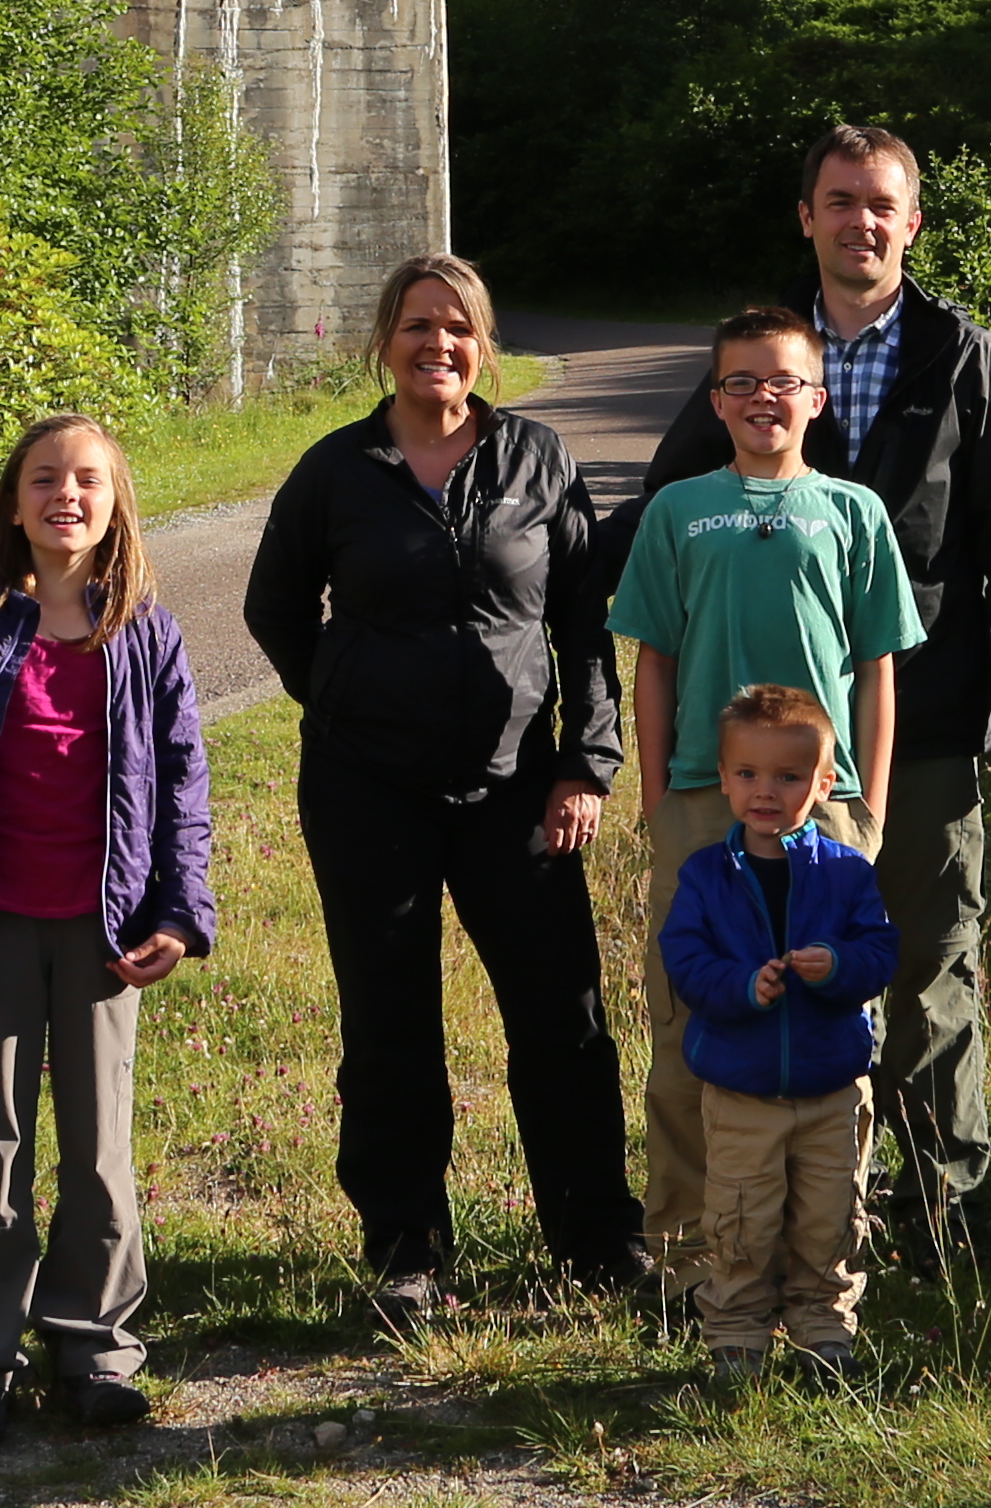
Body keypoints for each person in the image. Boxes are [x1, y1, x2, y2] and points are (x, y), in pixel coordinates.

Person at [639, 122, 991, 1245]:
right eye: (839, 202)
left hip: (915, 726)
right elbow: (669, 510)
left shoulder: (968, 358)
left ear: (911, 222)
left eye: (881, 204)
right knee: (745, 974)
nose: (859, 222)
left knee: (926, 968)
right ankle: (762, 1220)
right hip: (751, 757)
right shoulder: (761, 353)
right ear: (808, 218)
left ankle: (939, 1207)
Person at [242, 251, 647, 1317]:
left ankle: (596, 1237)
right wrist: (342, 700)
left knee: (562, 1017)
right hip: (367, 789)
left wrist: (584, 765)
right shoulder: (337, 472)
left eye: (458, 327)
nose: (439, 345)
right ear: (385, 341)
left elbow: (584, 626)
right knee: (390, 1024)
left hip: (519, 789)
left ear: (485, 346)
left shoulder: (538, 460)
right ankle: (408, 1252)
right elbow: (275, 609)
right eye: (419, 325)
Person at [0, 412, 214, 1452]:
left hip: (105, 929)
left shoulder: (146, 632)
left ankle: (96, 1346)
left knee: (102, 1148)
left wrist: (180, 910)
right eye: (43, 479)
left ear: (116, 505)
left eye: (86, 481)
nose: (64, 495)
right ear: (13, 501)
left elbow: (184, 786)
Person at [607, 303, 921, 1263]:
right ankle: (690, 1254)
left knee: (830, 1014)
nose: (762, 398)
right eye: (740, 381)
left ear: (817, 398)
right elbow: (652, 658)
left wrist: (864, 799)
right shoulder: (677, 510)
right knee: (689, 1017)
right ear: (716, 399)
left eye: (783, 380)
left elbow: (876, 666)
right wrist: (661, 794)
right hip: (703, 799)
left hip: (824, 809)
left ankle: (822, 1249)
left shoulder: (853, 512)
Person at [652, 681, 901, 1391]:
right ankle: (736, 1338)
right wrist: (740, 987)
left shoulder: (848, 873)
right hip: (741, 1088)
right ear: (724, 779)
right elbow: (686, 961)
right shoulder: (706, 875)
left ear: (825, 783)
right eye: (750, 775)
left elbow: (882, 952)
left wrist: (839, 966)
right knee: (739, 1220)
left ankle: (826, 1334)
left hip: (832, 1086)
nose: (767, 791)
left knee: (830, 1218)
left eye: (789, 777)